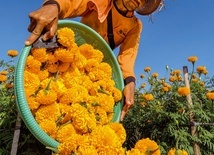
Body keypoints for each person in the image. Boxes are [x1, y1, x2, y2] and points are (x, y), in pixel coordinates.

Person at [25, 0, 162, 121]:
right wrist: (54, 5)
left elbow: (128, 53)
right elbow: (72, 3)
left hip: (96, 70)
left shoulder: (134, 25)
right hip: (73, 58)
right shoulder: (101, 2)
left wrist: (130, 82)